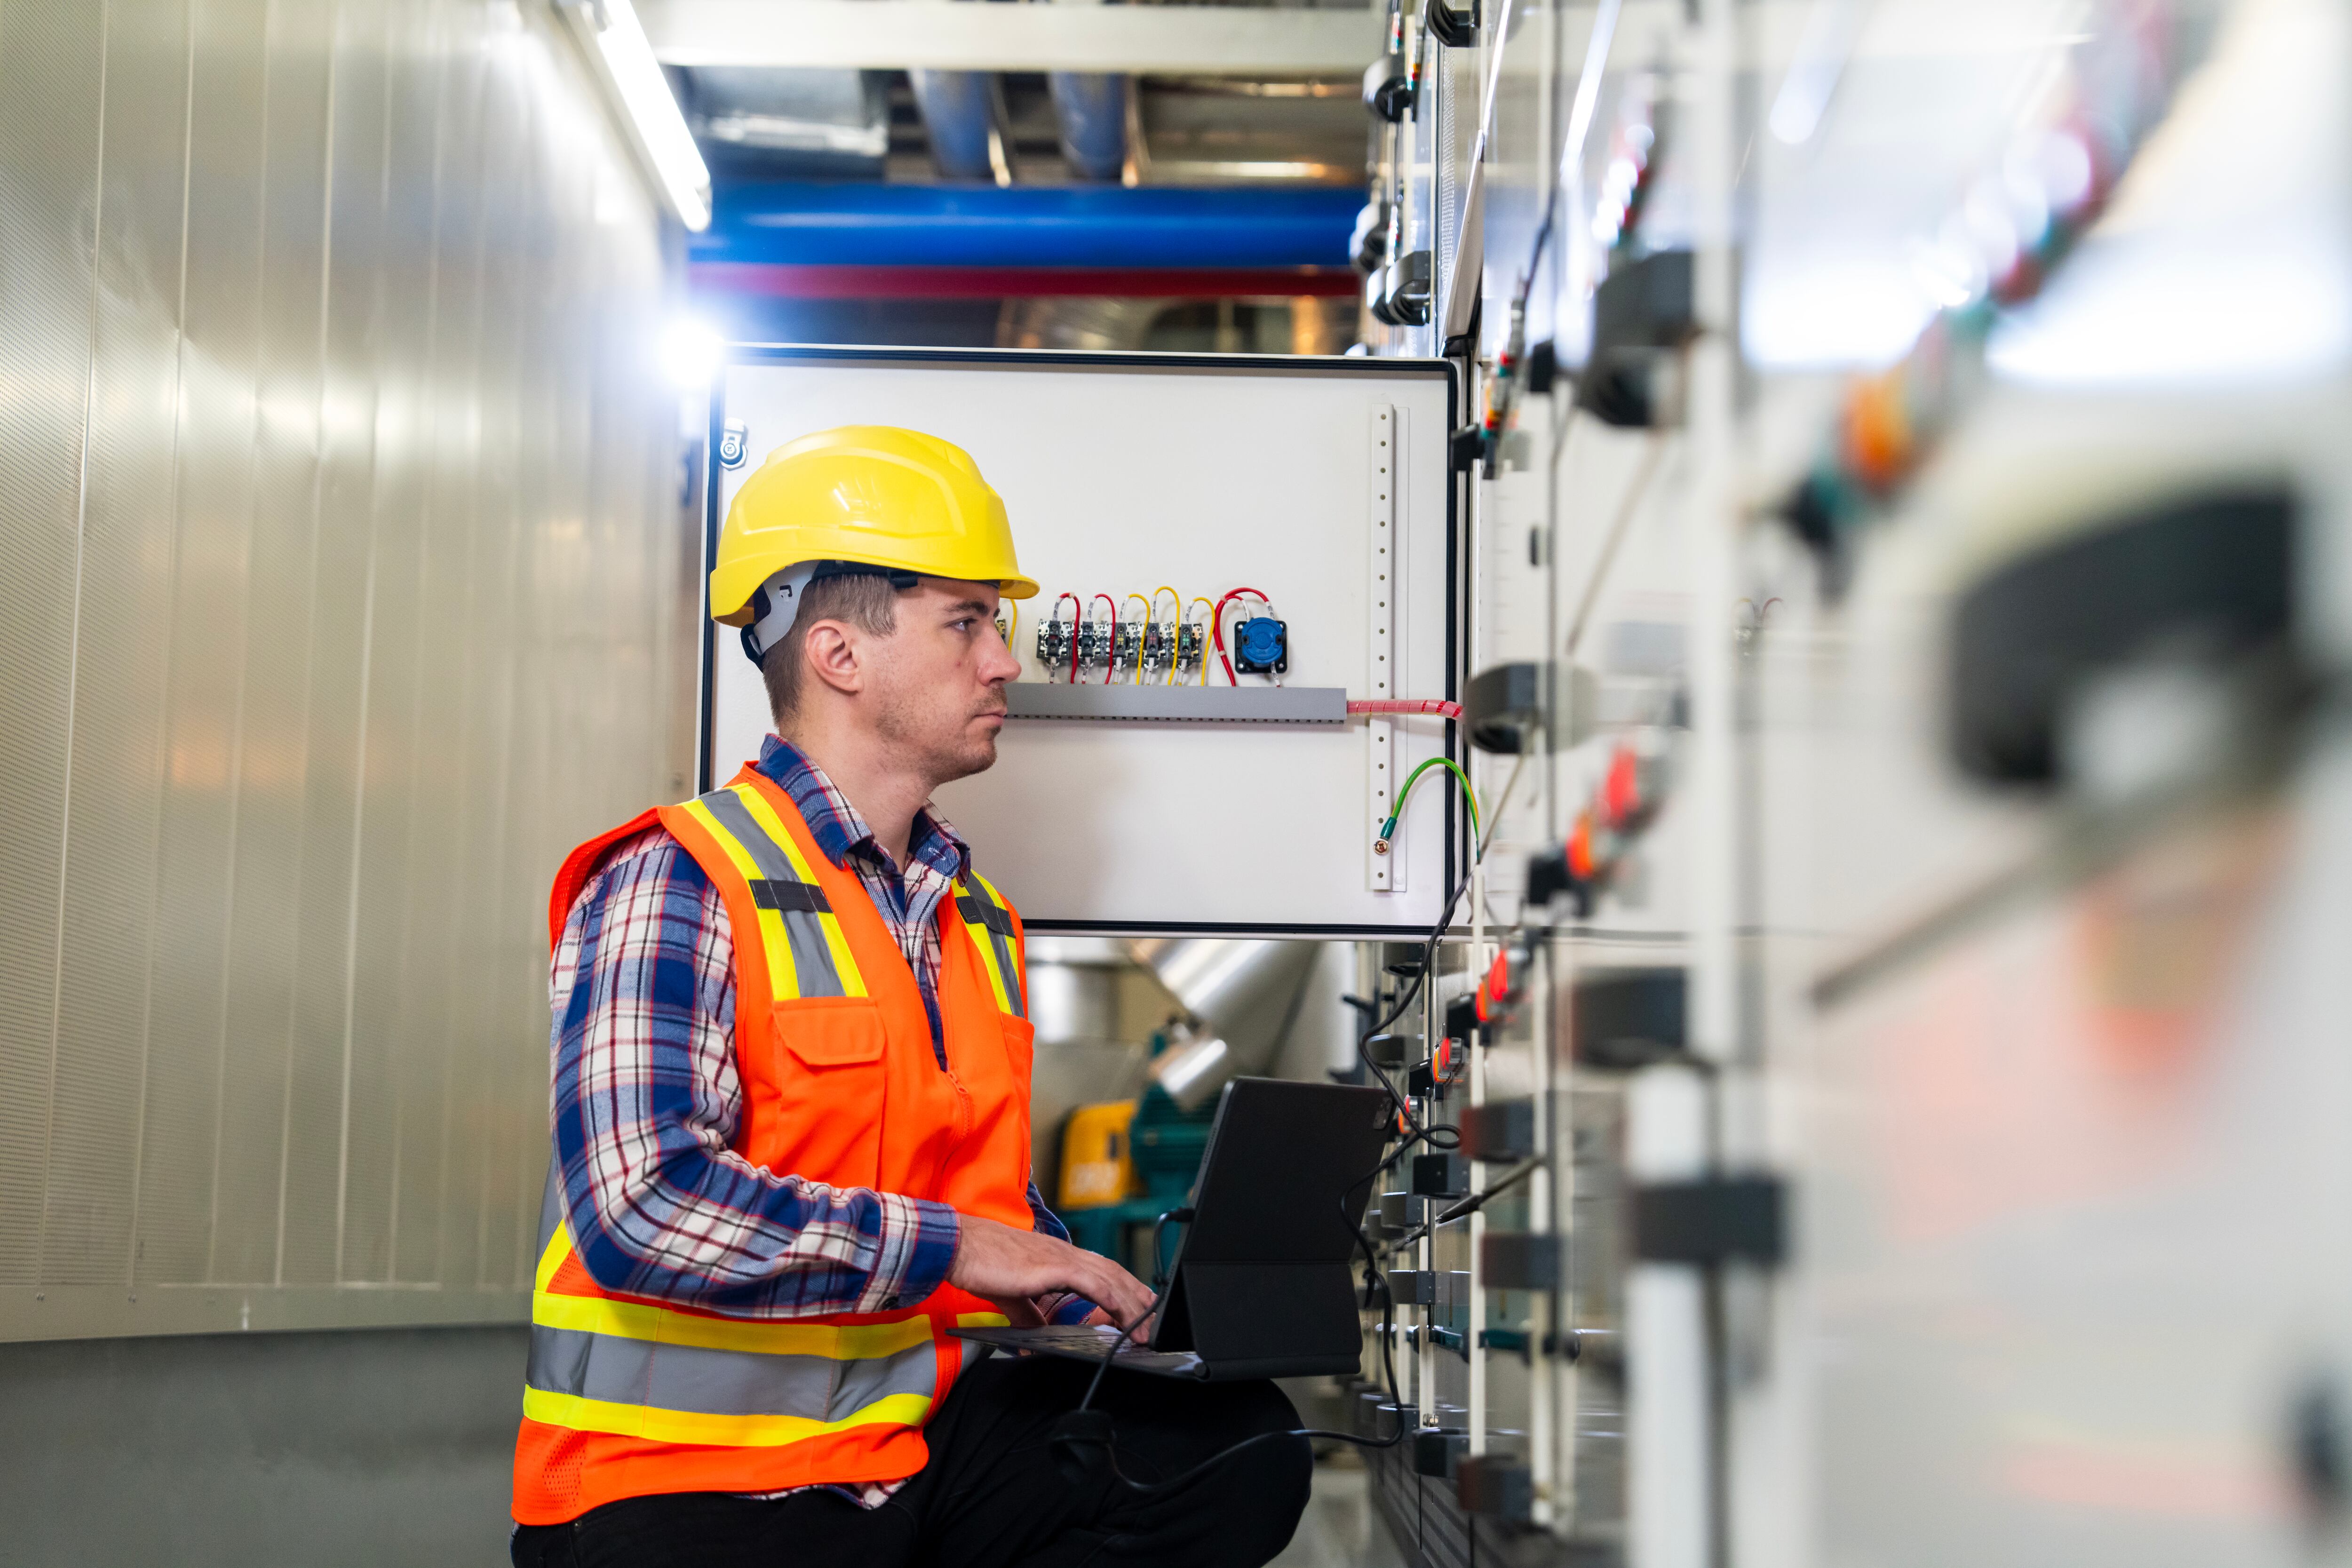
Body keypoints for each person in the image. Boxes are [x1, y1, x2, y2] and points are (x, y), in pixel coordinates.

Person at [508, 427, 1311, 1567]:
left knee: (1237, 1446)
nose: (1001, 660)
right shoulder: (679, 876)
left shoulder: (971, 920)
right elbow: (643, 1206)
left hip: (902, 1459)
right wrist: (962, 1251)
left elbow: (990, 1211)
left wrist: (1097, 1307)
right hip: (678, 1495)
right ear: (839, 654)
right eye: (967, 621)